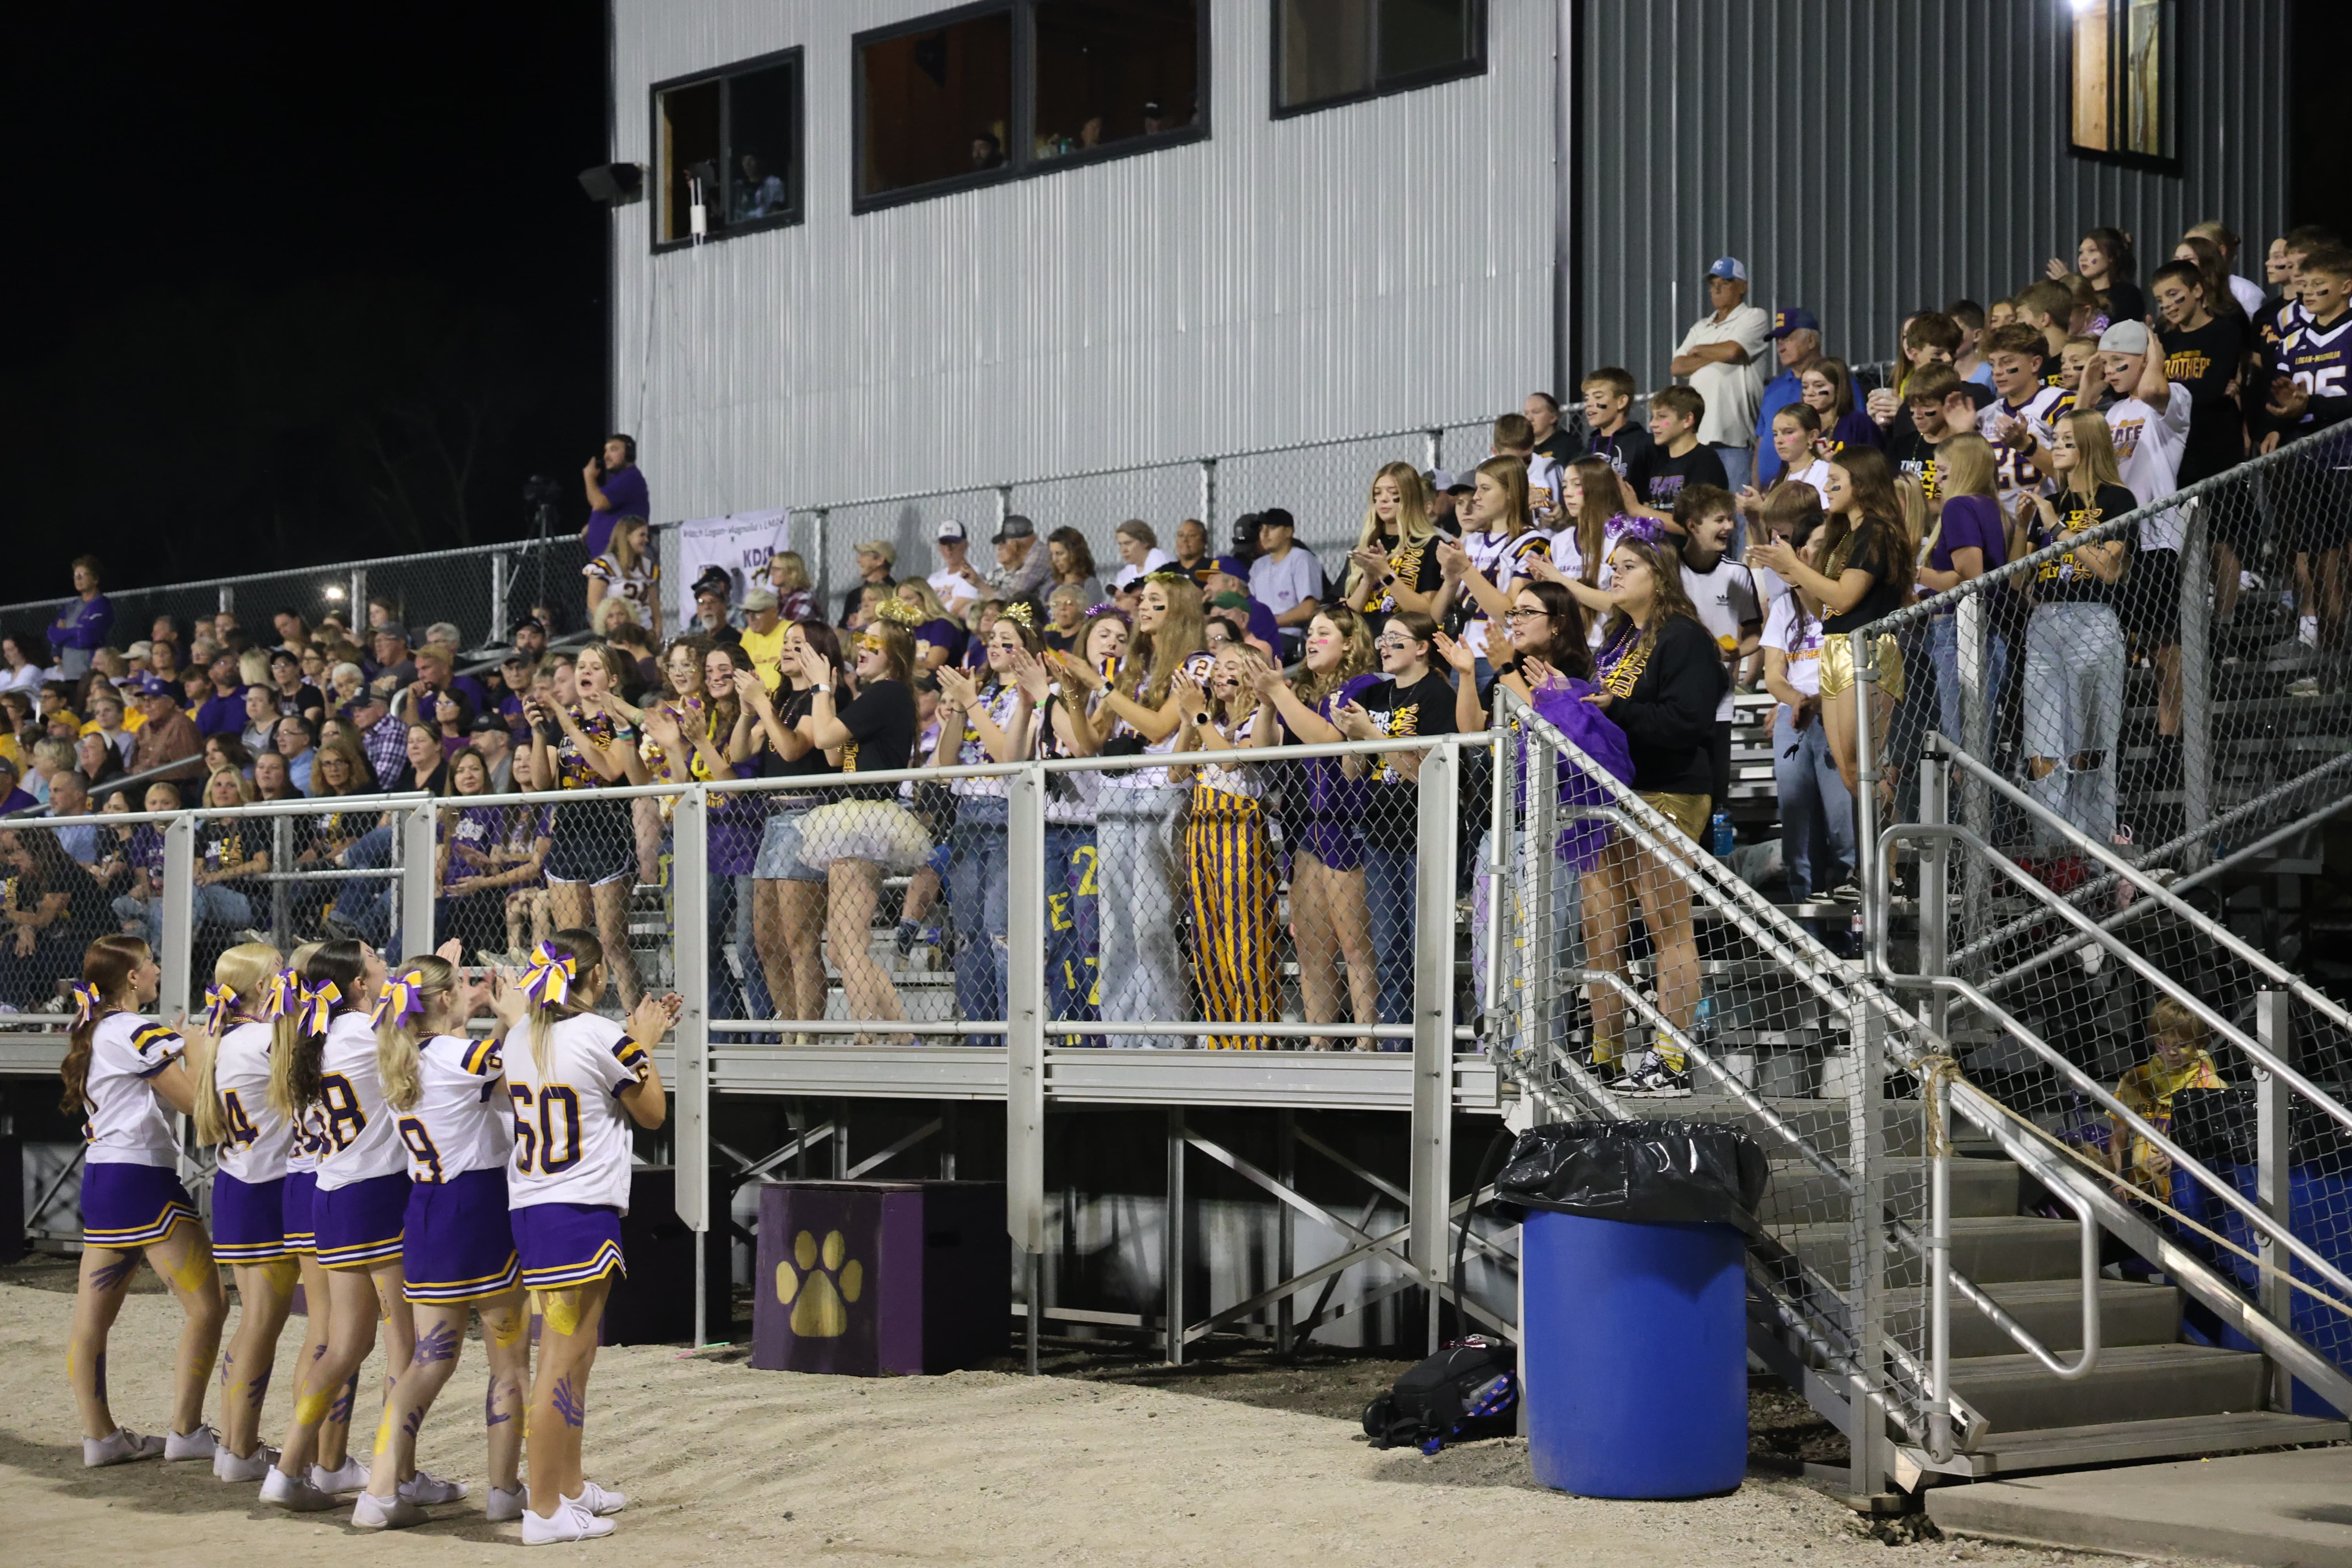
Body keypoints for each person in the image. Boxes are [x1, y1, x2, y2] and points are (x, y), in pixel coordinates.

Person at [482, 934, 673, 1541]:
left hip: (538, 1206)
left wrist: (630, 1041)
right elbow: (653, 1113)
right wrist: (643, 1044)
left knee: (576, 1357)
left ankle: (566, 1487)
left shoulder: (521, 1035)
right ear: (596, 979)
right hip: (576, 1211)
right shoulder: (597, 1035)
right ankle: (544, 1510)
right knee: (561, 1363)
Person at [354, 948, 528, 1529]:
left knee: (428, 1361)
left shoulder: (400, 1055)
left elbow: (478, 1069)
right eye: (459, 987)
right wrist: (513, 1012)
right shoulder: (458, 1056)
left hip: (425, 1209)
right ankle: (504, 1490)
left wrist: (485, 1017)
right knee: (510, 1363)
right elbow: (514, 1066)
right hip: (475, 1206)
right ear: (447, 998)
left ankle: (379, 1491)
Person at [59, 936, 229, 1468]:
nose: (156, 969)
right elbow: (193, 1103)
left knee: (92, 1320)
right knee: (209, 1306)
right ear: (132, 977)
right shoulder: (134, 1029)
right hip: (141, 1179)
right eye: (151, 962)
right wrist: (199, 1048)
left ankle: (100, 1437)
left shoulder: (98, 1028)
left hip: (105, 1177)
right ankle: (187, 1430)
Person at [1570, 523, 1725, 1095]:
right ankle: (1606, 1055)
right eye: (1612, 566)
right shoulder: (1616, 641)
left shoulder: (1684, 638)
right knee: (1602, 931)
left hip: (1669, 789)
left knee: (1667, 926)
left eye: (1628, 566)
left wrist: (1616, 709)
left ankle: (1672, 1060)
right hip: (1612, 795)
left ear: (1660, 577)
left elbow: (1688, 722)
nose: (1614, 574)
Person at [1051, 573, 1208, 1047]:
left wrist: (1100, 683)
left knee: (1151, 921)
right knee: (1116, 922)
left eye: (1155, 602)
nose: (1143, 609)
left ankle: (1167, 1035)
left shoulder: (1196, 663)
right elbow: (1090, 741)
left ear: (1178, 610)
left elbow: (1159, 728)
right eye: (1144, 601)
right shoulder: (1130, 666)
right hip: (1116, 793)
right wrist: (1075, 695)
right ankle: (1121, 1035)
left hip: (1163, 792)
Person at [784, 607, 930, 1034]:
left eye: (873, 643)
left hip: (865, 819)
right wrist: (828, 694)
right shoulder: (876, 695)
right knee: (841, 947)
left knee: (849, 944)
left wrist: (820, 686)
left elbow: (824, 737)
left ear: (895, 654)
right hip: (853, 815)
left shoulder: (889, 693)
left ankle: (872, 1033)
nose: (862, 649)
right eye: (861, 641)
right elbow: (834, 756)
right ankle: (899, 1035)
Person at [182, 944, 298, 1483]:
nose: (289, 979)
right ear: (261, 988)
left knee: (254, 1323)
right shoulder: (263, 1039)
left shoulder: (224, 1039)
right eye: (280, 973)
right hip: (264, 1189)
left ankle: (234, 1445)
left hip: (236, 1184)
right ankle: (240, 1447)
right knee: (261, 1326)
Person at [1746, 448, 1913, 821]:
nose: (1827, 488)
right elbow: (1825, 610)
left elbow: (1844, 597)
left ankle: (1900, 849)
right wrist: (1792, 577)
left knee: (1863, 769)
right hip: (1836, 648)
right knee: (1851, 774)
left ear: (1863, 485)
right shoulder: (1845, 536)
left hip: (1867, 651)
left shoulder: (1877, 531)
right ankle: (1893, 846)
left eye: (1836, 481)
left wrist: (1794, 566)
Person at [1252, 609, 1380, 1049]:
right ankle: (1319, 1041)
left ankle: (1366, 1042)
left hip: (1348, 823)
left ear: (1350, 643)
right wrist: (1268, 702)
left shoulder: (1364, 685)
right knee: (1311, 946)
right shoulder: (1303, 694)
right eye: (1309, 633)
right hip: (1306, 825)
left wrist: (1281, 694)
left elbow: (1326, 737)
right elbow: (1263, 747)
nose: (1311, 640)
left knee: (1355, 944)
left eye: (1324, 633)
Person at [1332, 609, 1457, 1035]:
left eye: (1395, 639)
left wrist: (1374, 735)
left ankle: (1436, 1037)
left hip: (1424, 831)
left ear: (1422, 647)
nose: (1384, 646)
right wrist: (1351, 735)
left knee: (1425, 947)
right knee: (1388, 948)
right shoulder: (1374, 695)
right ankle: (1396, 1041)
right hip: (1379, 829)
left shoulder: (1437, 695)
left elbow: (1424, 773)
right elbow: (1353, 772)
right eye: (1382, 639)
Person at [2014, 412, 2136, 848]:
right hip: (2045, 623)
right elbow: (2017, 579)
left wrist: (2056, 527)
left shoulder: (2118, 499)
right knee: (2041, 747)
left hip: (2093, 619)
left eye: (2068, 440)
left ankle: (2096, 847)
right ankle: (2053, 851)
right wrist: (2022, 524)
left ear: (2089, 446)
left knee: (2090, 747)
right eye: (2057, 439)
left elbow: (2108, 570)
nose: (2058, 447)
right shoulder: (2052, 501)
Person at [933, 604, 1043, 1041]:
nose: (994, 645)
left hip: (1006, 814)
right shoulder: (983, 694)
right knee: (968, 935)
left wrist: (970, 702)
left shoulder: (1031, 695)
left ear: (1027, 649)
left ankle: (1013, 1037)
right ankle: (980, 1035)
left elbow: (1006, 757)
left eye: (1006, 640)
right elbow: (945, 766)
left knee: (1001, 931)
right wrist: (961, 709)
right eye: (992, 639)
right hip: (967, 814)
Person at [524, 644, 648, 1011]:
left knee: (611, 941)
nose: (585, 672)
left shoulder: (620, 719)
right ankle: (571, 1018)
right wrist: (539, 733)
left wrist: (567, 724)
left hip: (609, 830)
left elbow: (610, 769)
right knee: (570, 943)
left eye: (595, 667)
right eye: (582, 666)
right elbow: (540, 781)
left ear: (613, 679)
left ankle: (639, 1018)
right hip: (568, 831)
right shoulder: (565, 722)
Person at [1171, 644, 1282, 1049]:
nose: (1219, 674)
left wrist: (1199, 716)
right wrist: (1189, 719)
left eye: (1230, 667)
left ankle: (1255, 1036)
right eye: (1216, 668)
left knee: (1244, 937)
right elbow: (1176, 773)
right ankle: (1222, 1034)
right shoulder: (1211, 721)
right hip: (1202, 827)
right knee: (1207, 936)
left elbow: (1232, 761)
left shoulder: (1261, 718)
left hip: (1240, 829)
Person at [734, 620, 843, 1025]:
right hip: (774, 819)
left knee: (800, 939)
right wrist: (748, 712)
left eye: (799, 643)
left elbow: (794, 749)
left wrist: (762, 706)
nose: (787, 648)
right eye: (786, 642)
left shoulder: (822, 698)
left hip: (807, 815)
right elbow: (740, 752)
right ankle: (787, 1026)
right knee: (766, 940)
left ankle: (807, 1035)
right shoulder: (779, 700)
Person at [2097, 320, 2194, 731]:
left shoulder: (2174, 397)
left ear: (2146, 359)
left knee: (2163, 646)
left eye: (2119, 362)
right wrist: (2088, 384)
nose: (2109, 371)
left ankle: (2172, 738)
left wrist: (2155, 353)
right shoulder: (2114, 412)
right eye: (2104, 363)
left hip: (2156, 539)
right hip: (2117, 541)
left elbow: (2154, 389)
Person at [1760, 501, 1853, 908]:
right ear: (1800, 551)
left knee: (1844, 824)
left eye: (1832, 544)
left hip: (1839, 710)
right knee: (1798, 830)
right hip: (1796, 718)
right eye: (1818, 543)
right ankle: (1809, 926)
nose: (1826, 551)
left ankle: (1856, 924)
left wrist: (1818, 699)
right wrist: (1796, 699)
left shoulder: (1847, 600)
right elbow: (1773, 674)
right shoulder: (1786, 606)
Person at [2266, 246, 2352, 671]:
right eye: (2307, 285)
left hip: (2348, 461)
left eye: (2322, 285)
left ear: (2346, 286)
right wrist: (2282, 416)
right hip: (2310, 464)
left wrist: (2311, 405)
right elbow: (2284, 402)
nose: (2311, 292)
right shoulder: (2291, 342)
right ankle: (2331, 666)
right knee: (2322, 571)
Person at [1915, 433, 2011, 750]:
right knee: (1977, 738)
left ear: (1964, 469)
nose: (1936, 480)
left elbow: (1970, 580)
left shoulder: (1959, 507)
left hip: (1960, 631)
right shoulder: (1994, 508)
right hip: (1986, 629)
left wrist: (1914, 572)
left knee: (1963, 743)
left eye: (1943, 471)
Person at [1672, 488, 1762, 809]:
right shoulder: (1668, 572)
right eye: (1719, 520)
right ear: (1693, 526)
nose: (1729, 527)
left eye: (1730, 519)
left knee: (1715, 799)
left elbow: (1754, 635)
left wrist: (1734, 653)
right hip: (1672, 703)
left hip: (1717, 705)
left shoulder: (1736, 574)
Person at [1436, 455, 1549, 683]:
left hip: (1503, 653)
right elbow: (1436, 615)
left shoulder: (1531, 542)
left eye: (1485, 489)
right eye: (1477, 488)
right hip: (1465, 652)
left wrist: (1466, 569)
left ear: (1511, 492)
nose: (1476, 497)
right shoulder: (1470, 543)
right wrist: (1450, 579)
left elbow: (1509, 616)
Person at [1670, 257, 1771, 493]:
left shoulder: (1753, 317)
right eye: (1713, 284)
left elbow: (1734, 351)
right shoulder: (1701, 327)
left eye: (1725, 283)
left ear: (1742, 287)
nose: (1716, 289)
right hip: (1699, 439)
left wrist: (1699, 350)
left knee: (1736, 510)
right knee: (1701, 510)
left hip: (1735, 439)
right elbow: (1678, 367)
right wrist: (1718, 354)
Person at [2105, 995, 2223, 1196]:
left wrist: (2181, 1161)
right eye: (2162, 1044)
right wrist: (2117, 1178)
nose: (2171, 1052)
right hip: (2141, 1189)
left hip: (2191, 1194)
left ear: (2199, 1043)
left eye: (2182, 1045)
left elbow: (2218, 1146)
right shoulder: (2135, 1080)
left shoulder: (2211, 1085)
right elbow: (2119, 1135)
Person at [4, 826, 114, 1007]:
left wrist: (6, 913)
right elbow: (26, 915)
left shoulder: (64, 871)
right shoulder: (27, 879)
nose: (14, 858)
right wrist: (25, 929)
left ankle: (47, 1003)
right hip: (59, 940)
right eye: (12, 852)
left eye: (19, 851)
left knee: (40, 952)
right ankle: (13, 1007)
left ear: (37, 852)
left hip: (92, 940)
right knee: (14, 944)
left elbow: (42, 919)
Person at [1978, 323, 2072, 520]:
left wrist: (2026, 446)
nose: (1997, 372)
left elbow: (2074, 474)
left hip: (2048, 521)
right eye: (1993, 364)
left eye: (2006, 362)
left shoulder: (2060, 403)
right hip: (1999, 524)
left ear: (2035, 364)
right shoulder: (1985, 415)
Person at [1345, 462, 1446, 623]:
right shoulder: (1364, 549)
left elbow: (1429, 613)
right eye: (1377, 493)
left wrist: (1386, 574)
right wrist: (1367, 581)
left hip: (1404, 637)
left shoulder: (1431, 545)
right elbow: (1344, 619)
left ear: (1411, 497)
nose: (1383, 499)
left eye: (1393, 493)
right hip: (1365, 638)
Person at [1626, 386, 1730, 524]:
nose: (1652, 424)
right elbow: (1648, 508)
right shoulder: (1659, 461)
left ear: (1687, 420)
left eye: (1662, 417)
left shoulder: (1705, 460)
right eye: (1653, 417)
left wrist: (1640, 511)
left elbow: (1698, 525)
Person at [1754, 308, 1826, 486]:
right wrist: (1756, 486)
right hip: (1771, 491)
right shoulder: (1774, 388)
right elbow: (1762, 440)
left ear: (1811, 341)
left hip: (1814, 488)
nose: (1780, 345)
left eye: (1787, 338)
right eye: (1778, 340)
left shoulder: (1833, 383)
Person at [1246, 508, 1323, 657]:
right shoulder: (1258, 566)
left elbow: (1309, 609)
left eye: (1272, 528)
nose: (1264, 534)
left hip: (1291, 635)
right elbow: (1250, 604)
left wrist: (1270, 623)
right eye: (1262, 529)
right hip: (1259, 635)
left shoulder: (1302, 559)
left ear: (1289, 532)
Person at [2047, 227, 2145, 325]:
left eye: (2092, 251)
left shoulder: (2127, 294)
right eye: (2081, 252)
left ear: (2111, 257)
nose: (2083, 258)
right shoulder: (2079, 292)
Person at [584, 517, 662, 639]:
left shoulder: (647, 566)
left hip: (644, 631)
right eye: (642, 535)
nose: (647, 540)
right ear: (626, 537)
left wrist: (657, 628)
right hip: (619, 633)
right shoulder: (606, 565)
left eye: (647, 536)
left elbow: (654, 603)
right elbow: (594, 603)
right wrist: (611, 629)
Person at [581, 434, 648, 561]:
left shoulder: (630, 478)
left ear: (629, 454)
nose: (606, 456)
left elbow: (599, 503)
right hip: (609, 558)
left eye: (614, 450)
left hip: (622, 557)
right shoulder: (618, 481)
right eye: (606, 451)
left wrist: (589, 477)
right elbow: (600, 504)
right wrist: (592, 525)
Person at [49, 556, 116, 682]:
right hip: (69, 673)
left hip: (90, 673)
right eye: (76, 576)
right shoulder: (71, 607)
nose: (78, 579)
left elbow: (87, 639)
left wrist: (65, 635)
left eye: (82, 575)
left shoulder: (102, 604)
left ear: (95, 579)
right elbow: (53, 634)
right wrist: (76, 632)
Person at [1579, 366, 1653, 479]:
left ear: (1621, 402)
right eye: (1587, 399)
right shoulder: (1587, 450)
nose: (1589, 404)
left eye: (1598, 397)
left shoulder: (1644, 444)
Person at [129, 673, 203, 784]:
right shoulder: (144, 728)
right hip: (143, 784)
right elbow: (133, 763)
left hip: (172, 787)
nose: (147, 705)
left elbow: (188, 770)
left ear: (170, 702)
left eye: (154, 699)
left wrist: (149, 776)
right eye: (144, 700)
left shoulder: (181, 725)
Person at [987, 515, 1053, 600]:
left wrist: (979, 584)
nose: (999, 548)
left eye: (1005, 543)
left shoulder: (1039, 555)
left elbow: (1011, 595)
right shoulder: (1028, 556)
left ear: (1014, 544)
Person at [837, 541, 897, 627]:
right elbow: (843, 628)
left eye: (864, 555)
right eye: (864, 600)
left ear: (880, 561)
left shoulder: (896, 594)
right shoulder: (854, 596)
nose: (858, 561)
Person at [1046, 526, 1109, 607]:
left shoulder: (1090, 585)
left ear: (1075, 553)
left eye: (1060, 554)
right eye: (1052, 554)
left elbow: (1091, 613)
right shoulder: (1051, 585)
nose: (1055, 559)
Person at [1110, 520, 1173, 592]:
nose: (1123, 550)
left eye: (1128, 543)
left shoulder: (1160, 559)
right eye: (1120, 545)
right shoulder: (1127, 572)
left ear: (1145, 542)